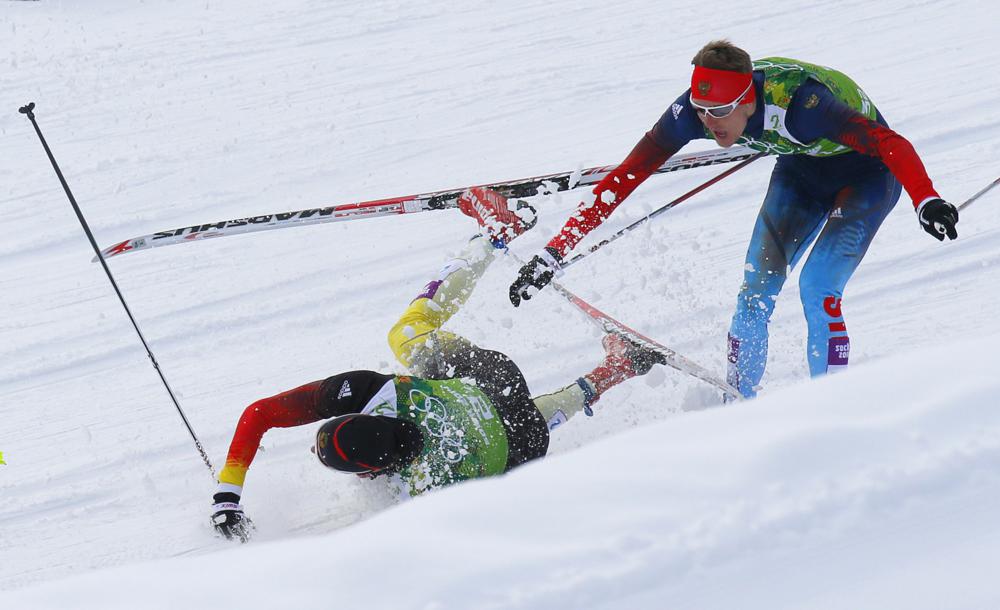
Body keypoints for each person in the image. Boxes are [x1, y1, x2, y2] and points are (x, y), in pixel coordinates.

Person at [210, 187, 666, 542]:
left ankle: (614, 370)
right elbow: (260, 413)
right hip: (493, 379)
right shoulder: (375, 392)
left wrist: (231, 498)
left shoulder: (420, 496)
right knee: (407, 335)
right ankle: (494, 237)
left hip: (521, 438)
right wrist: (225, 495)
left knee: (512, 438)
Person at [509, 40, 959, 399]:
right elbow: (626, 176)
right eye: (703, 112)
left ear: (748, 101)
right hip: (801, 171)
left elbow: (889, 143)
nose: (710, 123)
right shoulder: (693, 111)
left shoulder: (804, 104)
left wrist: (927, 200)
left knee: (817, 286)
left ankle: (833, 407)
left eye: (721, 113)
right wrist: (553, 253)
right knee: (754, 294)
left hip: (867, 175)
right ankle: (737, 411)